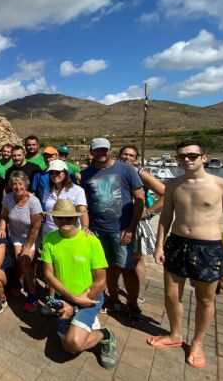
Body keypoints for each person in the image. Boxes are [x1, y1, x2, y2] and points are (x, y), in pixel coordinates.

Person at [149, 140, 223, 369]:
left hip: (209, 248)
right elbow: (165, 217)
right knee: (171, 296)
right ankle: (175, 335)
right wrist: (160, 245)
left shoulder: (222, 185)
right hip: (177, 243)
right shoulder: (174, 185)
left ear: (204, 157)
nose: (186, 160)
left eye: (192, 155)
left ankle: (197, 343)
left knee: (205, 299)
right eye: (181, 157)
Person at [41, 199, 117, 370]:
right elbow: (47, 274)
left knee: (74, 343)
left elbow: (101, 281)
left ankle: (105, 335)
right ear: (54, 219)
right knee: (68, 348)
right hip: (65, 298)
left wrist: (79, 301)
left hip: (89, 297)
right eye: (60, 218)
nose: (65, 222)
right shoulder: (49, 239)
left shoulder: (91, 241)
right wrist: (69, 300)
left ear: (76, 218)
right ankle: (82, 325)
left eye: (69, 218)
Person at [81, 137, 144, 323]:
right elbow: (85, 201)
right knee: (106, 267)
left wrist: (131, 227)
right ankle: (113, 299)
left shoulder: (125, 169)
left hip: (121, 229)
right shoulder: (87, 174)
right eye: (96, 150)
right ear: (92, 152)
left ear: (110, 150)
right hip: (97, 230)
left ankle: (133, 305)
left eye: (104, 150)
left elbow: (139, 197)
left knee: (127, 269)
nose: (100, 153)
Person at [118, 145, 165, 303]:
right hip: (117, 220)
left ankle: (136, 294)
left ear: (136, 158)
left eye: (131, 155)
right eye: (125, 154)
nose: (127, 158)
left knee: (136, 258)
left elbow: (165, 193)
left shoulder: (140, 174)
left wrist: (150, 211)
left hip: (136, 222)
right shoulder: (115, 170)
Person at [0, 171, 43, 312]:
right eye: (14, 183)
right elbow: (4, 216)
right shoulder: (9, 198)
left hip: (31, 235)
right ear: (11, 185)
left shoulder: (34, 201)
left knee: (25, 259)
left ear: (26, 185)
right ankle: (19, 282)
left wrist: (28, 246)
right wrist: (2, 228)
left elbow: (36, 227)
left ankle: (32, 295)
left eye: (20, 183)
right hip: (16, 235)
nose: (17, 187)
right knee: (19, 259)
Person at [41, 160, 89, 237]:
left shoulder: (77, 190)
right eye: (51, 172)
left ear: (65, 173)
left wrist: (85, 227)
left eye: (57, 172)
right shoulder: (48, 189)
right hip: (49, 232)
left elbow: (82, 211)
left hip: (70, 233)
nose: (54, 175)